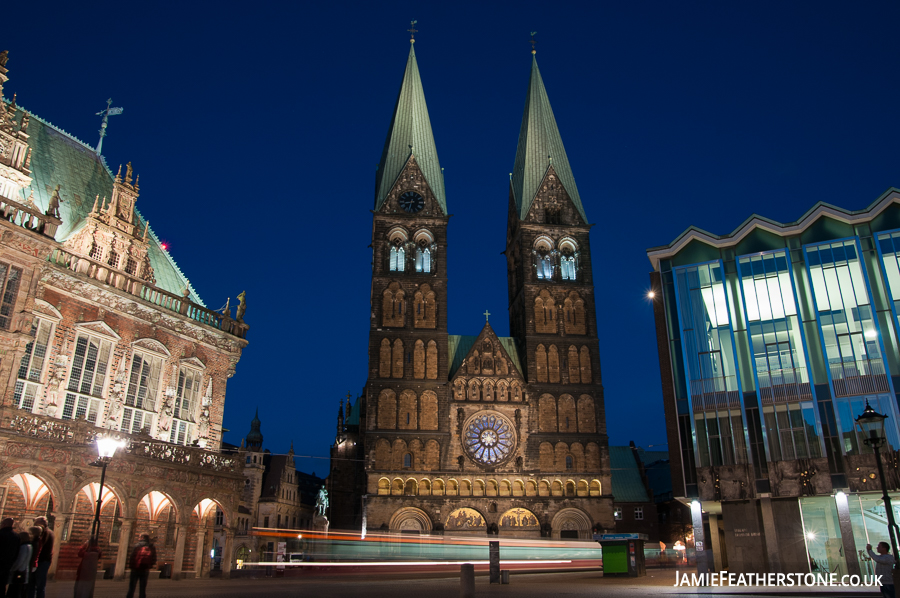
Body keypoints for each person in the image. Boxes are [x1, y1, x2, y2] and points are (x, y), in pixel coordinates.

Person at [28, 518, 52, 598]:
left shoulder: (44, 534)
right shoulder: (49, 533)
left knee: (36, 585)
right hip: (43, 561)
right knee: (37, 586)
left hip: (40, 562)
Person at [7, 531, 33, 598]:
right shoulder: (30, 546)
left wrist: (12, 568)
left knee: (15, 591)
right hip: (24, 570)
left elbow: (20, 560)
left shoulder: (23, 547)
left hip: (19, 571)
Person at [0, 519, 19, 595]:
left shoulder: (1, 534)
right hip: (8, 565)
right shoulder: (16, 536)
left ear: (4, 524)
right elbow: (17, 552)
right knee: (2, 585)